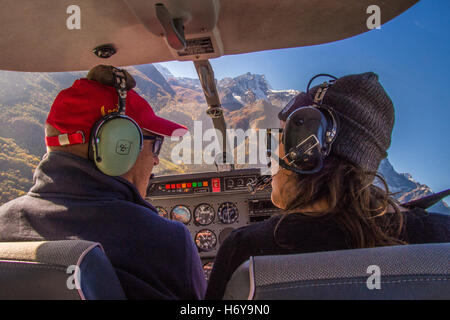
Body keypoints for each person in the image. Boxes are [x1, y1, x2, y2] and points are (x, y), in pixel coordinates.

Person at [205, 72, 450, 300]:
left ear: (303, 150)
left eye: (281, 139)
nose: (273, 156)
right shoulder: (440, 238)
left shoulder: (244, 248)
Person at [0, 65, 207, 299]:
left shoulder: (3, 224)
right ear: (120, 147)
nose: (156, 160)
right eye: (155, 144)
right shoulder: (167, 241)